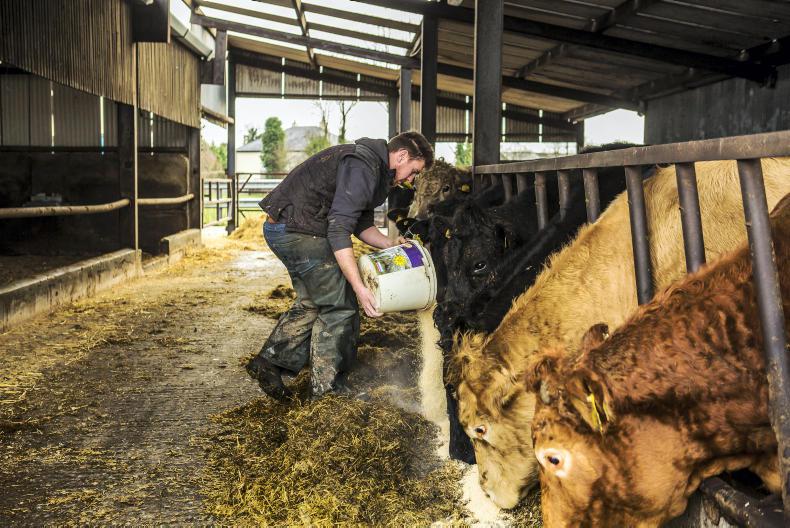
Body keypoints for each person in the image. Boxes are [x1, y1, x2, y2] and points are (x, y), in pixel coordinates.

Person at [246, 131, 434, 400]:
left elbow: (360, 223)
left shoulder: (375, 169)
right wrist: (359, 287)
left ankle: (270, 361)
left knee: (314, 301)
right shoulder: (363, 167)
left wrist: (390, 245)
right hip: (300, 232)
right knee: (340, 306)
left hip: (287, 228)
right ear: (402, 156)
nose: (411, 180)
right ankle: (327, 392)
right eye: (414, 171)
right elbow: (339, 230)